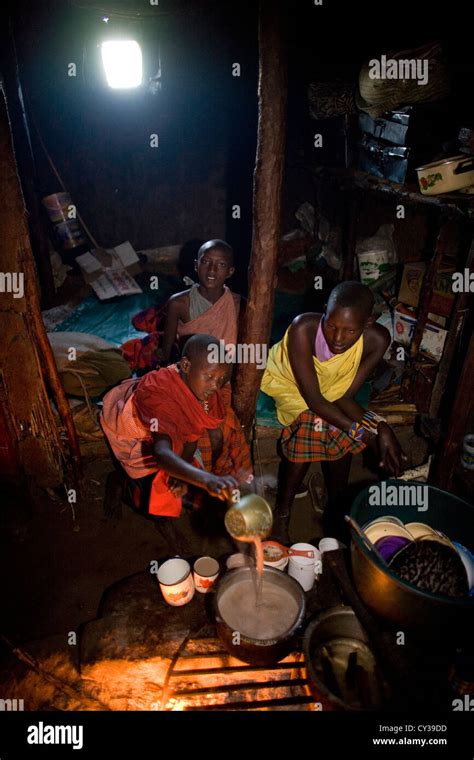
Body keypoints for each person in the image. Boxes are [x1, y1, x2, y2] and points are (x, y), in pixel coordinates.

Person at [260, 280, 407, 542]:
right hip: (289, 383)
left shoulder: (377, 340)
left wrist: (380, 425)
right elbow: (316, 400)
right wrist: (366, 436)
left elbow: (344, 395)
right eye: (331, 325)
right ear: (324, 312)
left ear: (368, 322)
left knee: (336, 427)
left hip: (329, 393)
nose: (337, 338)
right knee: (314, 422)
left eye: (350, 331)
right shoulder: (303, 328)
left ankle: (336, 502)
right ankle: (284, 511)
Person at [101, 334, 253, 526]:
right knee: (149, 497)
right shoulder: (160, 396)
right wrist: (205, 479)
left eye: (221, 379)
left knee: (174, 483)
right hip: (133, 432)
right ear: (186, 365)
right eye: (210, 377)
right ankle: (119, 484)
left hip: (162, 433)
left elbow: (191, 435)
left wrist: (179, 474)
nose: (215, 386)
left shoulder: (197, 388)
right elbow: (161, 451)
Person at [122, 240, 241, 372]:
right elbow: (167, 353)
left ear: (230, 271)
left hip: (225, 371)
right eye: (205, 262)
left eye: (221, 265)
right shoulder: (178, 304)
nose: (212, 270)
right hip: (191, 372)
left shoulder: (238, 304)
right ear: (196, 265)